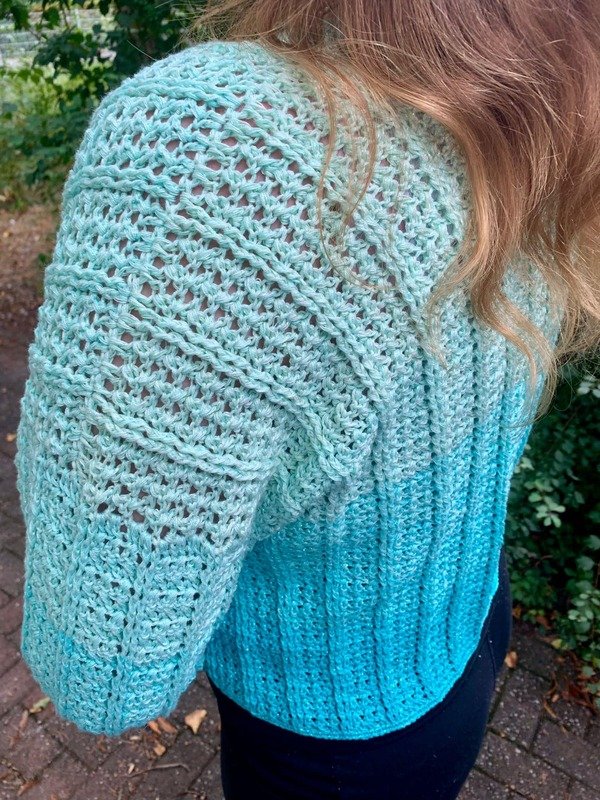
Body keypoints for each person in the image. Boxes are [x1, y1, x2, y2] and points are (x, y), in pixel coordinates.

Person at [14, 2, 600, 799]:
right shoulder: (545, 96)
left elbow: (103, 664)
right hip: (460, 630)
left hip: (326, 728)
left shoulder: (218, 145)